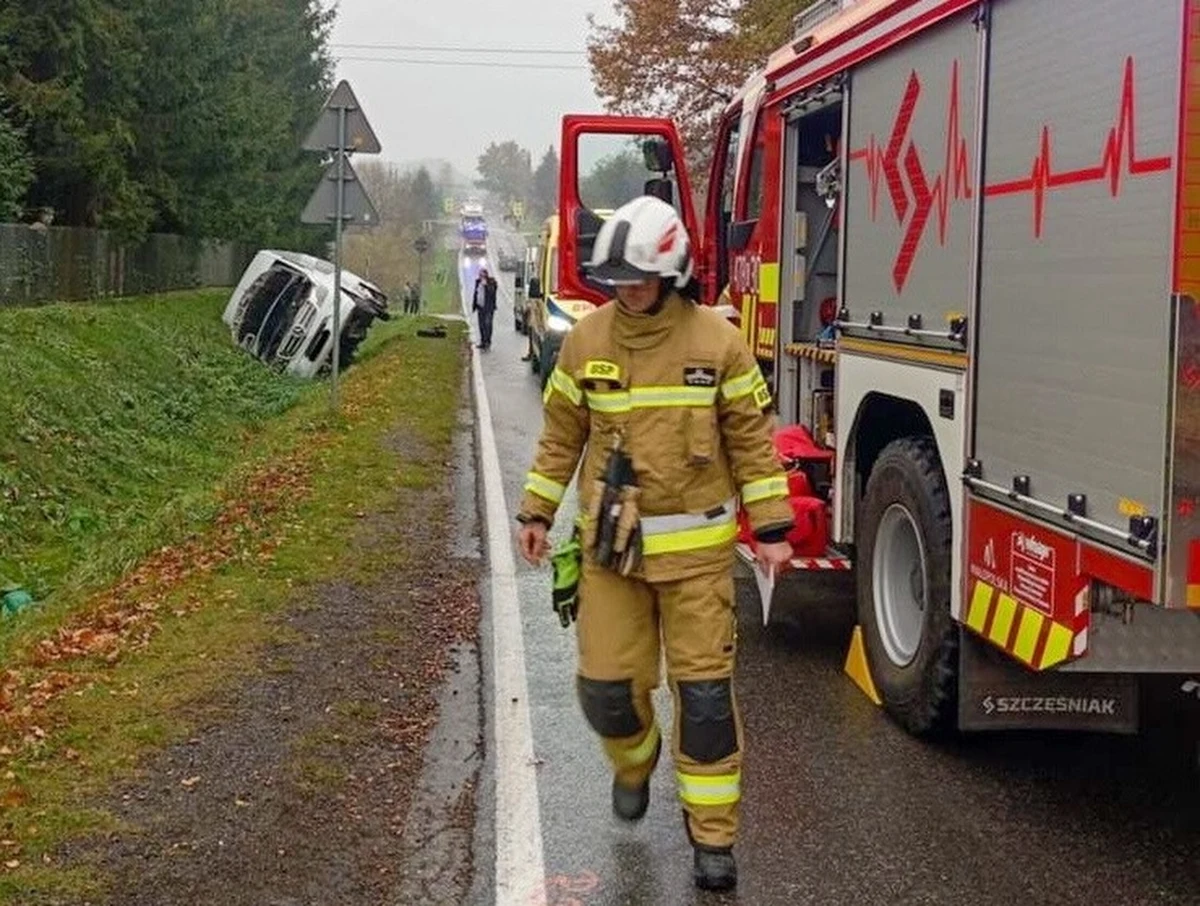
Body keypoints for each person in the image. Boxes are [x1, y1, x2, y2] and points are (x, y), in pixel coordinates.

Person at [514, 196, 794, 891]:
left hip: (698, 563)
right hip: (615, 557)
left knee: (705, 704)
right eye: (616, 280)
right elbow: (561, 436)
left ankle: (713, 838)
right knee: (607, 692)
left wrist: (772, 528)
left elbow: (752, 442)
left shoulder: (718, 344)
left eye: (638, 278)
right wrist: (536, 513)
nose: (626, 291)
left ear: (671, 273)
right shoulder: (586, 341)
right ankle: (635, 763)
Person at [472, 268, 498, 350]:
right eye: (480, 275)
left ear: (486, 275)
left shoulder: (491, 282)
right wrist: (474, 305)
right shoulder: (477, 282)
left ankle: (488, 341)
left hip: (489, 308)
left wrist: (486, 285)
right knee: (481, 325)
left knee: (488, 324)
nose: (481, 277)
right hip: (480, 307)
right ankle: (483, 341)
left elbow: (492, 292)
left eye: (483, 275)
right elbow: (476, 294)